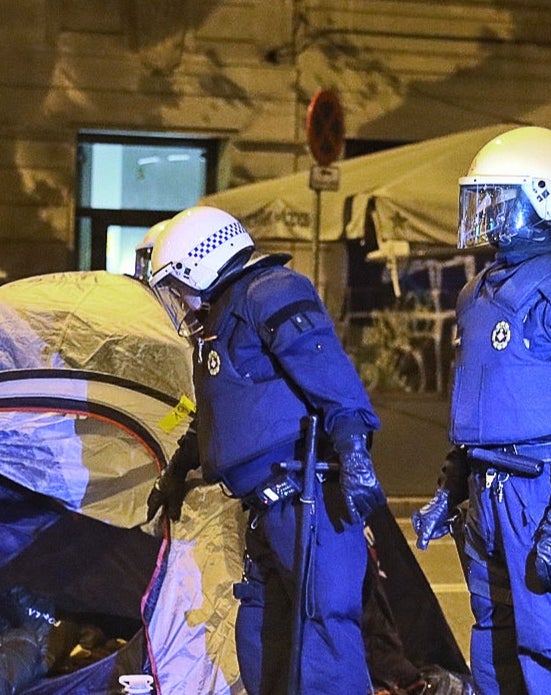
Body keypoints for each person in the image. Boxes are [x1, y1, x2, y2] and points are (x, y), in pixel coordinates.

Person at [412, 126, 551, 694]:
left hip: (541, 489)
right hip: (486, 487)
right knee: (493, 636)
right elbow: (477, 404)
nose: (486, 214)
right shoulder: (476, 291)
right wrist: (450, 486)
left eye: (499, 199)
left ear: (546, 198)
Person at [147, 205, 385, 695]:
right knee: (263, 641)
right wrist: (180, 468)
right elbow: (223, 410)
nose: (179, 301)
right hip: (270, 509)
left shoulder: (270, 291)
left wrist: (356, 451)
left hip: (308, 498)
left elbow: (333, 381)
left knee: (321, 648)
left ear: (200, 263)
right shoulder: (224, 315)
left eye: (178, 285)